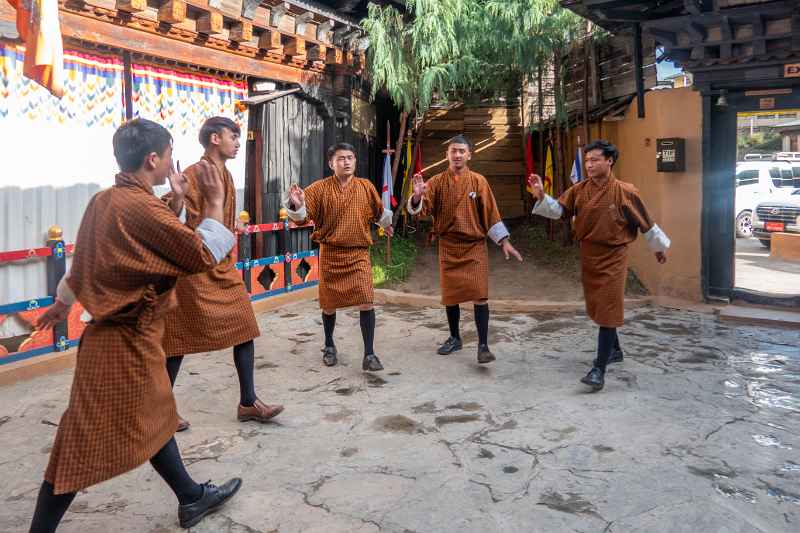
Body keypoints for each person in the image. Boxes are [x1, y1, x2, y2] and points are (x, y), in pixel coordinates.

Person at [29, 119, 241, 532]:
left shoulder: (105, 201)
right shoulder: (138, 206)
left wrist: (61, 303)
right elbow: (199, 254)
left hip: (132, 337)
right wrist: (213, 204)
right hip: (121, 340)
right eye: (167, 155)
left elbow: (102, 253)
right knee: (78, 443)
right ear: (152, 158)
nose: (169, 165)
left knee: (157, 415)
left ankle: (191, 497)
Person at [163, 117, 283, 431]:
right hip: (194, 270)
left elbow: (217, 218)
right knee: (176, 342)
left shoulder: (225, 174)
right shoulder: (194, 172)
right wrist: (176, 196)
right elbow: (167, 215)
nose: (238, 142)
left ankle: (248, 402)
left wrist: (233, 224)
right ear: (215, 138)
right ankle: (160, 411)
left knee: (244, 327)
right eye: (234, 136)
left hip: (223, 267)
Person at [529, 139, 670, 391]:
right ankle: (615, 350)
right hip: (589, 256)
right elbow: (559, 211)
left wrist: (658, 248)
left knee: (608, 306)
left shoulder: (626, 191)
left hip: (615, 256)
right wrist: (541, 194)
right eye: (587, 160)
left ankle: (599, 369)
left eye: (595, 159)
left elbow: (645, 222)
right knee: (600, 306)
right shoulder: (579, 189)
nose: (590, 164)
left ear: (609, 161)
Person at [408, 134, 523, 364]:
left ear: (470, 154)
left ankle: (483, 345)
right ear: (447, 154)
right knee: (451, 297)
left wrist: (504, 241)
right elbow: (422, 211)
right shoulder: (437, 181)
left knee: (480, 296)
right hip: (449, 246)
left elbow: (490, 213)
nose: (458, 154)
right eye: (453, 151)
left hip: (474, 247)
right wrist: (417, 196)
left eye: (462, 151)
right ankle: (454, 337)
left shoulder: (479, 181)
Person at [285, 142, 393, 371]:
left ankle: (370, 354)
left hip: (358, 254)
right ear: (331, 163)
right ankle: (329, 344)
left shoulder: (365, 186)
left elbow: (378, 212)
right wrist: (297, 205)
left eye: (350, 157)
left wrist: (387, 223)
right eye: (341, 158)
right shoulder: (318, 189)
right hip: (331, 254)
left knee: (366, 300)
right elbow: (301, 218)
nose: (346, 162)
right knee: (329, 305)